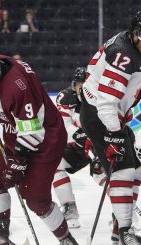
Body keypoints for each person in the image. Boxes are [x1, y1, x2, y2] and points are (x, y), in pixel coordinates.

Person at [0, 49, 81, 245]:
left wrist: (17, 163)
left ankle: (67, 240)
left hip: (46, 139)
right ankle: (0, 238)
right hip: (17, 133)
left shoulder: (16, 88)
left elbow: (33, 133)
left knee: (36, 199)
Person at [79, 9, 141, 245]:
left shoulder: (133, 47)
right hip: (101, 117)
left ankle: (120, 229)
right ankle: (126, 232)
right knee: (123, 171)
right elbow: (106, 101)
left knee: (137, 169)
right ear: (137, 34)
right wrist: (113, 133)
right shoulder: (123, 55)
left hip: (108, 116)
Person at [52, 67, 106, 229]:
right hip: (78, 146)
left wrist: (97, 145)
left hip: (102, 144)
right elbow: (64, 127)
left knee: (101, 174)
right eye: (81, 86)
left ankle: (121, 215)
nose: (84, 90)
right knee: (55, 164)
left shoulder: (103, 99)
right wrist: (83, 138)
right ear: (74, 86)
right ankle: (69, 208)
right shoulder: (66, 98)